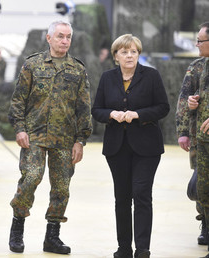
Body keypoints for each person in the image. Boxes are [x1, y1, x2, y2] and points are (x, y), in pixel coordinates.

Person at [8, 20, 92, 254]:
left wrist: (80, 140)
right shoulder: (32, 65)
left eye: (68, 37)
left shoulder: (77, 69)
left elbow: (84, 108)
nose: (64, 41)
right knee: (31, 178)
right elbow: (18, 100)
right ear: (49, 38)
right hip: (34, 135)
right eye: (60, 36)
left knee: (61, 188)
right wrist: (19, 129)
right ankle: (17, 228)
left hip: (64, 139)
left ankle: (52, 236)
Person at [91, 34, 169, 258]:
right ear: (116, 56)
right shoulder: (107, 78)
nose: (129, 55)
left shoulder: (151, 75)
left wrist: (138, 114)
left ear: (139, 54)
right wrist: (111, 114)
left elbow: (163, 107)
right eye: (124, 52)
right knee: (122, 198)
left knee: (142, 194)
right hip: (117, 148)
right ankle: (124, 248)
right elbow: (97, 110)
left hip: (147, 148)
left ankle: (142, 249)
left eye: (134, 51)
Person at [176, 56, 207, 246]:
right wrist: (183, 131)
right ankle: (205, 222)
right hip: (200, 136)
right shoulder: (197, 67)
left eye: (200, 40)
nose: (196, 44)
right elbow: (183, 98)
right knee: (202, 181)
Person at [188, 21, 209, 258]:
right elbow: (190, 98)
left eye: (200, 40)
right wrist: (195, 103)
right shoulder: (201, 66)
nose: (196, 44)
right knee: (202, 191)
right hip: (203, 141)